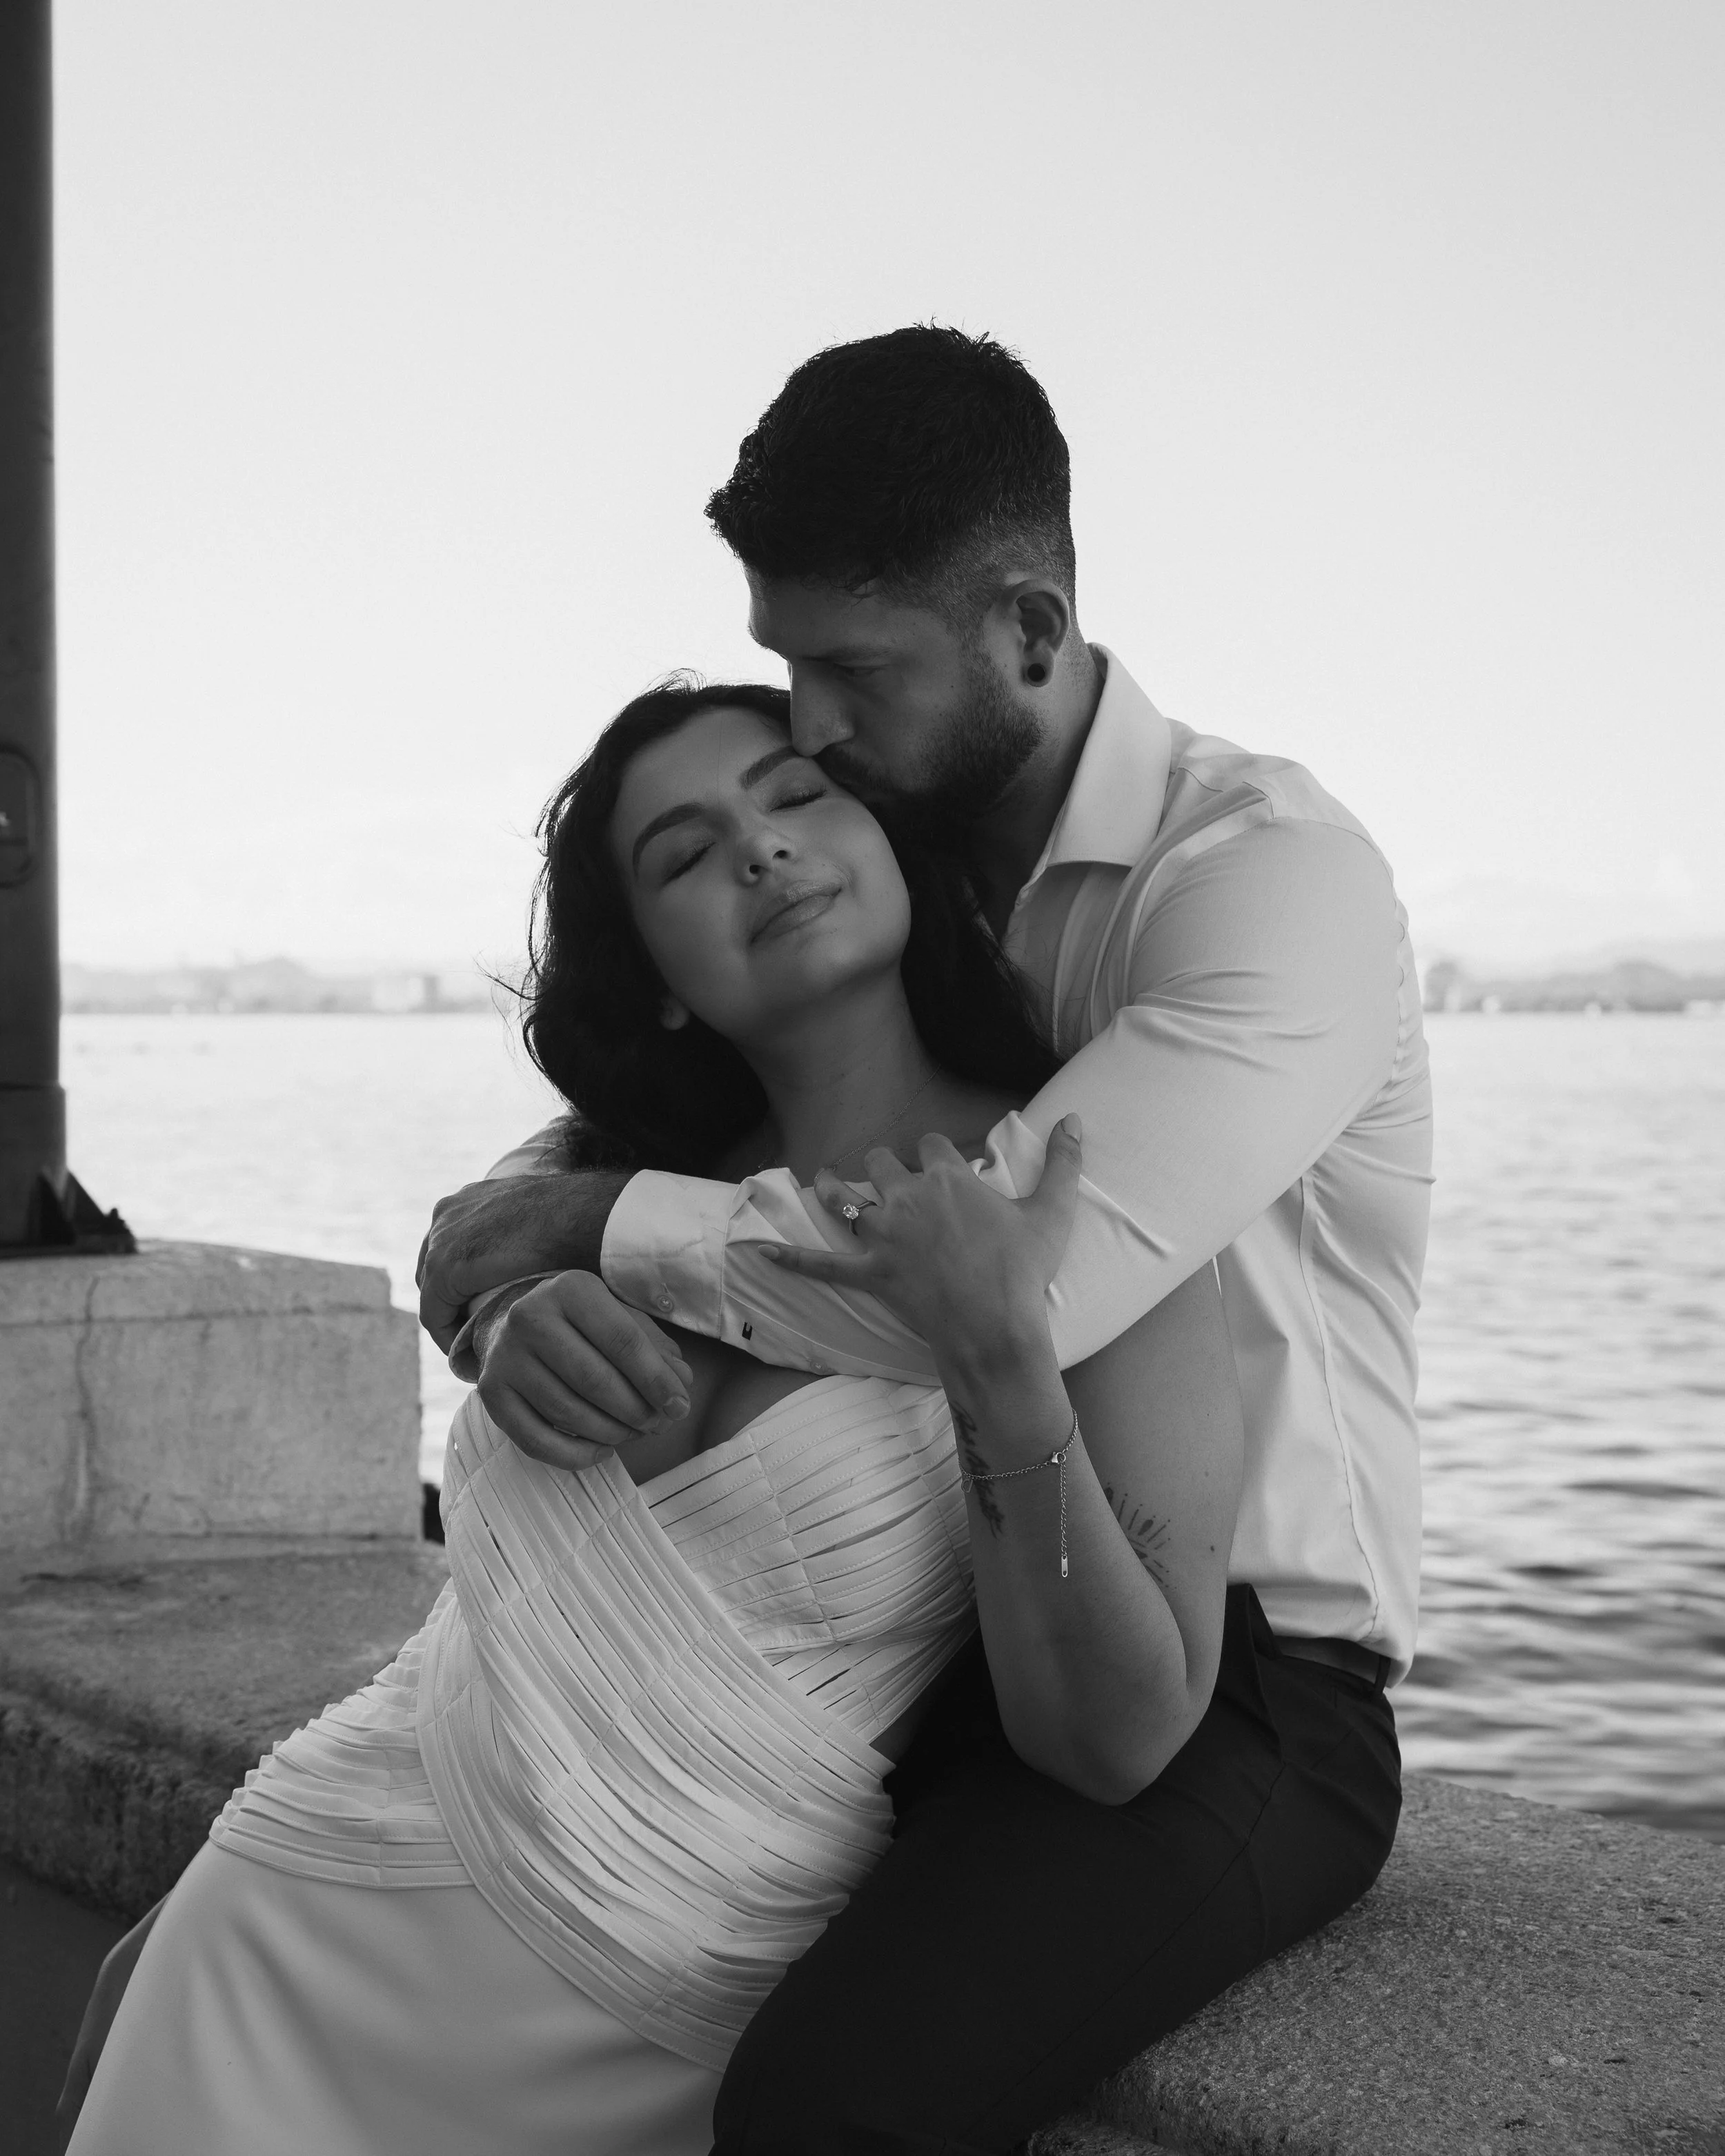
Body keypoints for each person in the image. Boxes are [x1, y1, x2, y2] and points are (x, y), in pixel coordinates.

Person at [417, 326, 1431, 2153]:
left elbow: (998, 1280)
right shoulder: (894, 844)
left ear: (1028, 630)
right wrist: (511, 1277)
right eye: (785, 663)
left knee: (827, 2101)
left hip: (1244, 1684)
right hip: (926, 1617)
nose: (803, 724)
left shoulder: (1268, 883)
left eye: (844, 668)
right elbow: (668, 1128)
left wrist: (586, 1220)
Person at [59, 680, 1245, 2156]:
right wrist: (506, 1324)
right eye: (684, 854)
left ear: (890, 840)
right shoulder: (594, 1180)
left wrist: (1000, 1355)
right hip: (292, 1903)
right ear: (662, 977)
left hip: (656, 1988)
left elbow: (1116, 1737)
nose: (757, 849)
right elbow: (501, 1611)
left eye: (794, 795)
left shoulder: (1090, 1194)